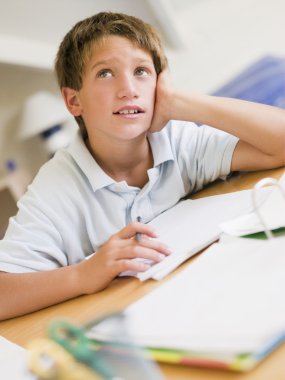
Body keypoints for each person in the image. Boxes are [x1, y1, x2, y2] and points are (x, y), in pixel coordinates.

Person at [0, 12, 284, 321]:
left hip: (203, 299)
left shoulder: (178, 139)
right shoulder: (56, 188)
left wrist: (180, 103)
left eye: (141, 71)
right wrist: (83, 275)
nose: (128, 89)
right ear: (73, 101)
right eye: (105, 74)